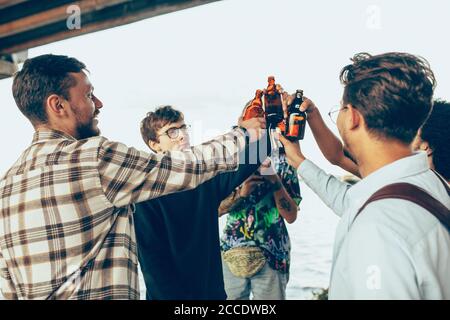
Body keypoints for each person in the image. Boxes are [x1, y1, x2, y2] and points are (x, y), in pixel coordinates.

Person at [0, 54, 266, 300]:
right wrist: (243, 133)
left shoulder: (6, 187)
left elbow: (8, 289)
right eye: (89, 95)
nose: (99, 103)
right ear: (58, 105)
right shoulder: (94, 158)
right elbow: (186, 166)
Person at [279, 52, 450, 299]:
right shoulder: (430, 186)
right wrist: (298, 159)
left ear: (353, 117)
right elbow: (351, 201)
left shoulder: (377, 231)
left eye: (340, 108)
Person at [134, 105, 270, 300]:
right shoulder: (144, 192)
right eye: (172, 132)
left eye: (183, 128)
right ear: (155, 144)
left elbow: (256, 155)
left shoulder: (204, 178)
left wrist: (262, 121)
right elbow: (152, 263)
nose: (182, 135)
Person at [218, 115, 301, 300]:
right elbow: (215, 210)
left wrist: (274, 180)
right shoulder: (231, 160)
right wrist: (242, 193)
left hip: (273, 254)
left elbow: (291, 215)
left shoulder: (285, 159)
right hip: (231, 252)